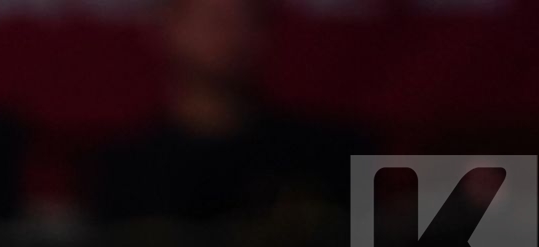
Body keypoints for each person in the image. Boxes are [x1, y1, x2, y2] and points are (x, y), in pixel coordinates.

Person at [91, 0, 368, 231]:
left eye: (251, 21)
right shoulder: (124, 169)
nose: (234, 36)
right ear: (168, 29)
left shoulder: (325, 155)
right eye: (216, 22)